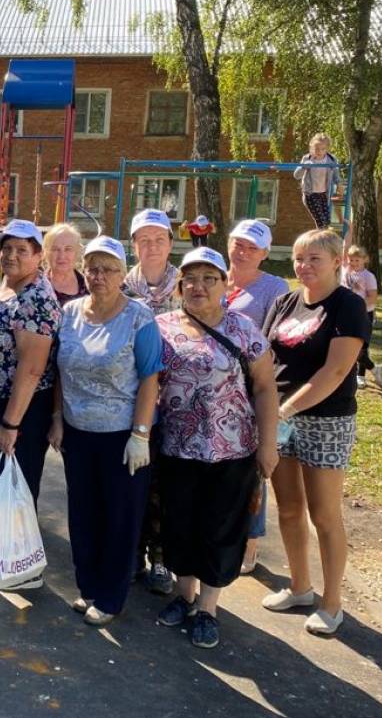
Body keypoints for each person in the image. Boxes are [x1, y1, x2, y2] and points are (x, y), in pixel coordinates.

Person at [153, 248, 279, 649]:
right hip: (177, 448)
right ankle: (184, 595)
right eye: (191, 278)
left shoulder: (243, 330)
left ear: (225, 285)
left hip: (233, 450)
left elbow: (264, 387)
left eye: (210, 278)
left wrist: (268, 444)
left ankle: (208, 608)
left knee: (221, 528)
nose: (199, 286)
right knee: (179, 523)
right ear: (179, 286)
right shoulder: (161, 327)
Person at [50, 236, 163, 626]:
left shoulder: (139, 317)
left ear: (122, 274)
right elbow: (61, 370)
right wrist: (58, 419)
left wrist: (141, 434)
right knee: (83, 513)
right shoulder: (69, 313)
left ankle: (111, 596)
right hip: (78, 434)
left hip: (121, 437)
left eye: (108, 269)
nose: (99, 276)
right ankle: (88, 587)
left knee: (119, 516)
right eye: (93, 268)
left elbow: (151, 377)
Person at [262, 229, 368, 636]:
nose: (304, 266)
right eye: (298, 258)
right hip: (280, 418)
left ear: (336, 261)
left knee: (323, 514)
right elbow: (267, 358)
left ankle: (332, 602)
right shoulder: (284, 302)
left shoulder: (348, 305)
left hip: (326, 420)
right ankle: (300, 587)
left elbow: (336, 370)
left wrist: (286, 409)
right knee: (288, 508)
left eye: (314, 259)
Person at [0, 220, 62, 590]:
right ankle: (8, 555)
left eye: (23, 249)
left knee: (17, 486)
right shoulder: (5, 287)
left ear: (38, 255)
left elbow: (33, 367)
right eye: (7, 248)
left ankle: (25, 570)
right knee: (2, 480)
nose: (12, 255)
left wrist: (9, 423)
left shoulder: (35, 296)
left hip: (20, 409)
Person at [225, 218, 292, 575]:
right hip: (215, 391)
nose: (243, 252)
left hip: (252, 390)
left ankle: (250, 541)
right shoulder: (217, 277)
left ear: (265, 253)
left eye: (252, 247)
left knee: (253, 469)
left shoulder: (274, 288)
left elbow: (278, 343)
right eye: (239, 244)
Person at [122, 207, 179, 595]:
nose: (152, 246)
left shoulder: (187, 284)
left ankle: (161, 558)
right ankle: (131, 555)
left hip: (177, 402)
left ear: (171, 243)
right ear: (134, 245)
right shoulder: (121, 285)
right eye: (144, 239)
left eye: (159, 239)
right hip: (131, 400)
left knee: (165, 485)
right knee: (131, 482)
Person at [344, 245, 382, 389]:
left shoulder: (369, 276)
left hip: (364, 314)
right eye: (351, 260)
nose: (353, 263)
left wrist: (357, 306)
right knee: (349, 345)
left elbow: (373, 298)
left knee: (361, 346)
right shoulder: (346, 272)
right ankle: (374, 369)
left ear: (365, 260)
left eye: (357, 260)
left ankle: (361, 375)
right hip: (348, 313)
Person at [294, 133, 342, 230]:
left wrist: (339, 184)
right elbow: (296, 175)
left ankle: (321, 238)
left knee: (327, 221)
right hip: (310, 194)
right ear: (311, 148)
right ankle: (322, 240)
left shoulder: (331, 160)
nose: (319, 151)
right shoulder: (307, 158)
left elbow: (336, 175)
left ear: (327, 149)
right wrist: (304, 167)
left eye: (322, 149)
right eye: (316, 149)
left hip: (324, 194)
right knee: (321, 221)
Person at [43, 222, 88, 305]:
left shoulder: (90, 287)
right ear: (46, 252)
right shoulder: (37, 287)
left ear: (77, 252)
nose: (62, 256)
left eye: (68, 249)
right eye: (55, 249)